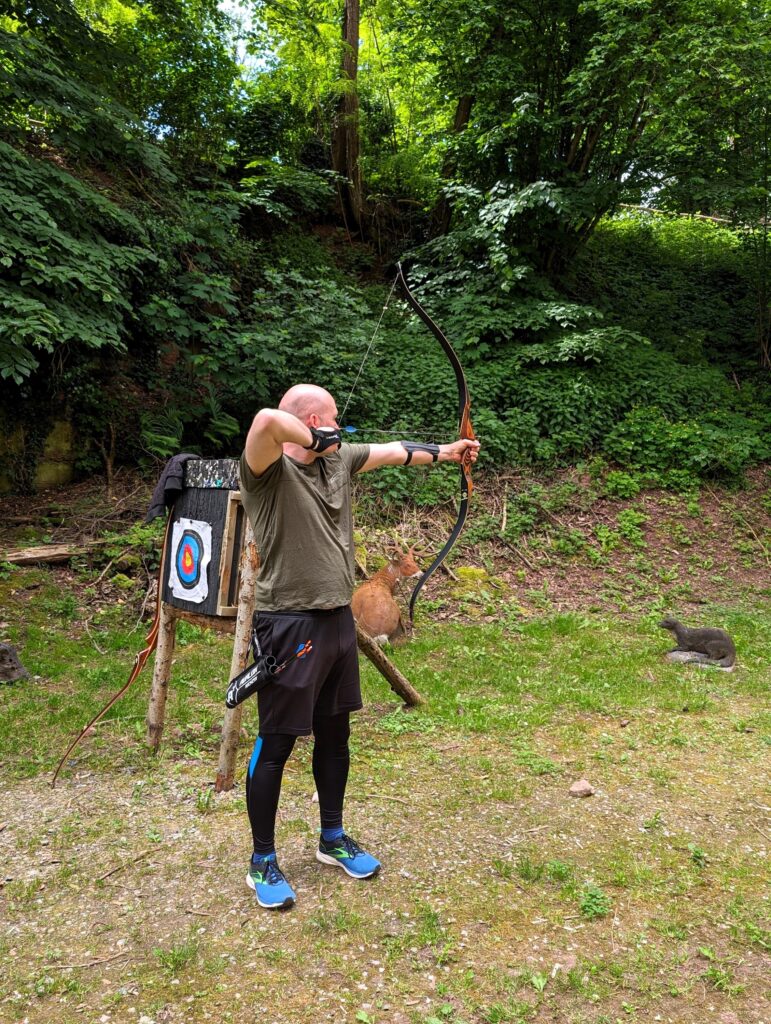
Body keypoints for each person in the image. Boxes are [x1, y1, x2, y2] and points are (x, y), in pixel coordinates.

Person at [239, 383, 480, 909]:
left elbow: (396, 451)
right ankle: (261, 860)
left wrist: (448, 451)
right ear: (310, 421)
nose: (341, 429)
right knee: (276, 743)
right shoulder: (267, 471)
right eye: (332, 421)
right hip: (287, 623)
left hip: (336, 622)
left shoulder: (340, 460)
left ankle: (332, 838)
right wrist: (311, 434)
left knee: (335, 735)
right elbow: (264, 421)